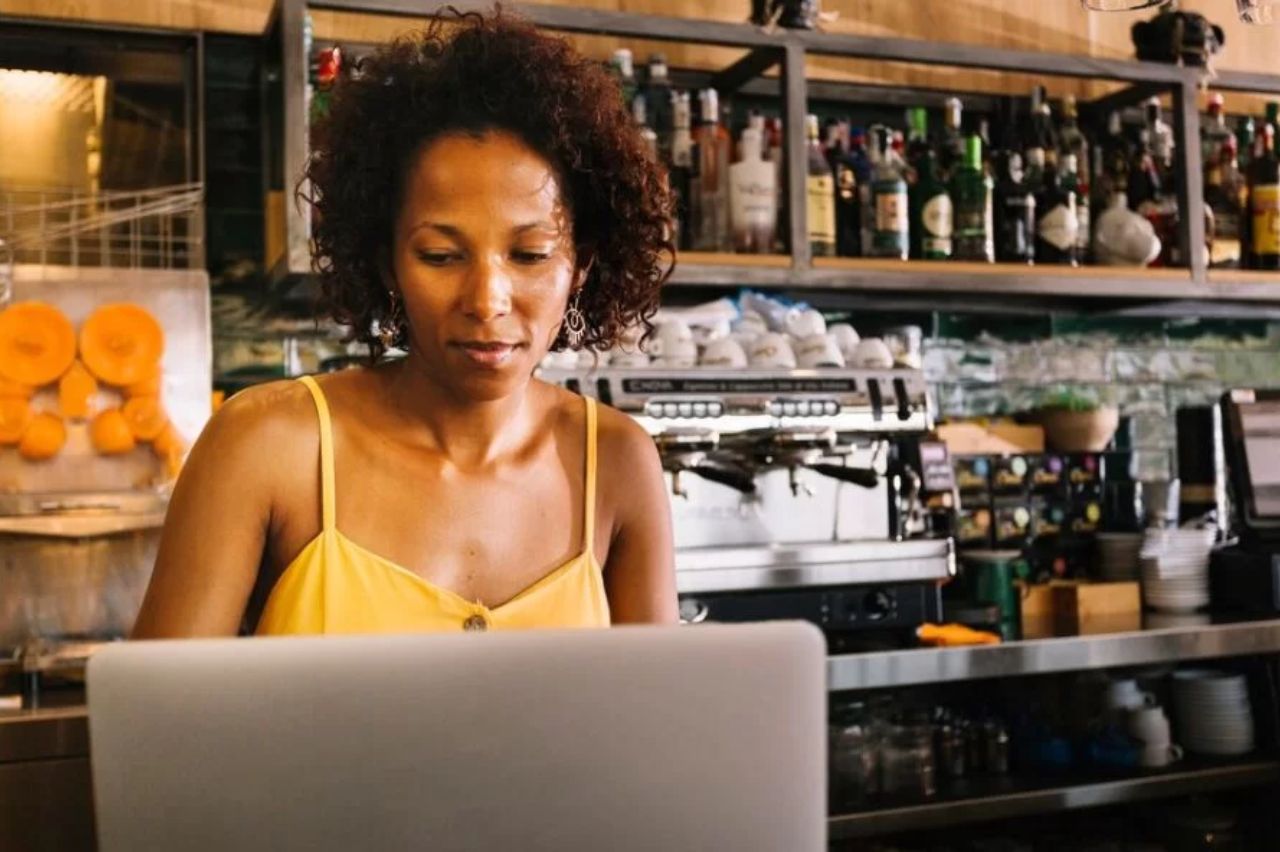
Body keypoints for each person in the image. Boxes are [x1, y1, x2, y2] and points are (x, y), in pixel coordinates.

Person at [132, 10, 677, 637]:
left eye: (529, 255)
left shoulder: (617, 462)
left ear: (580, 267)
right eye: (441, 256)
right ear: (386, 263)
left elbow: (651, 726)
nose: (487, 299)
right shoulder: (268, 446)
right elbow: (160, 729)